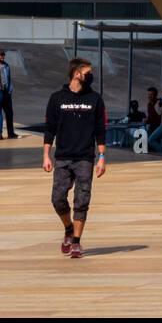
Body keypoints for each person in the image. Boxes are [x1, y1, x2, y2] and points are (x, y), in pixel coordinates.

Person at [43, 58, 107, 259]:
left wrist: (102, 157)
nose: (91, 76)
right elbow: (50, 129)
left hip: (85, 158)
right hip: (62, 156)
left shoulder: (95, 99)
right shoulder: (56, 98)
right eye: (88, 72)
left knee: (82, 200)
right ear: (77, 73)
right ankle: (68, 228)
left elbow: (100, 130)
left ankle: (76, 243)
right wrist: (46, 155)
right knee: (58, 199)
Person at [0, 47, 20, 139]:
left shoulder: (7, 66)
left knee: (9, 113)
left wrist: (10, 89)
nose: (3, 56)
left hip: (7, 93)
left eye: (3, 54)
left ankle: (11, 133)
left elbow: (8, 79)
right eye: (1, 54)